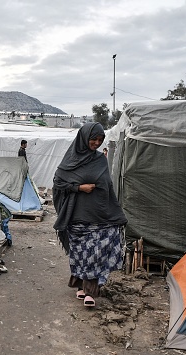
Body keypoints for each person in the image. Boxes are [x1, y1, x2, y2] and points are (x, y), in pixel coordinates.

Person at [52, 122, 127, 308]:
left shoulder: (100, 159)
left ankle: (89, 292)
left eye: (100, 140)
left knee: (95, 253)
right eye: (94, 139)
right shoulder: (69, 161)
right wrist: (79, 188)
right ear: (84, 138)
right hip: (76, 215)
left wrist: (114, 210)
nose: (96, 143)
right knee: (79, 253)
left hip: (98, 215)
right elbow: (58, 182)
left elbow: (107, 185)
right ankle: (79, 284)